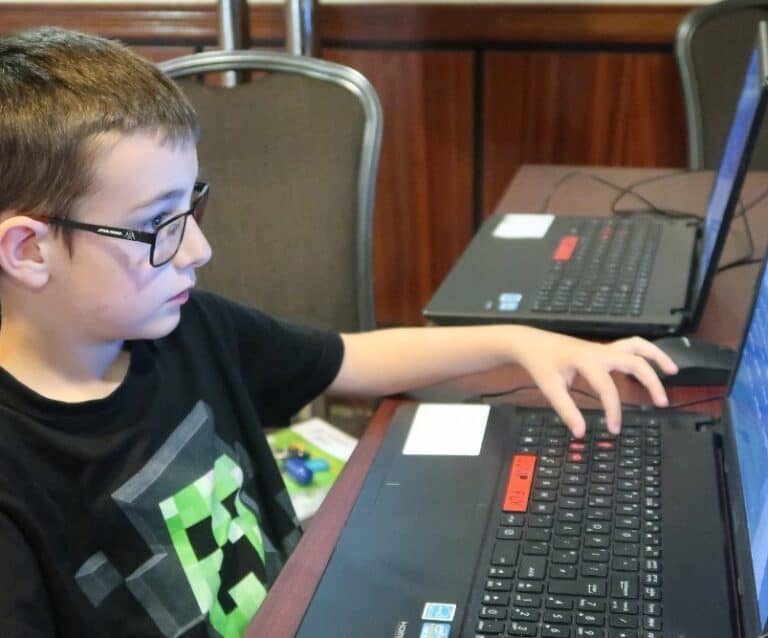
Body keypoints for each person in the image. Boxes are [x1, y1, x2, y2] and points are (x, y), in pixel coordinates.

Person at [0, 27, 678, 638]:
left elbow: (348, 358)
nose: (198, 249)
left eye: (192, 207)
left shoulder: (186, 327)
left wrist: (516, 341)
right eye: (159, 224)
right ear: (28, 251)